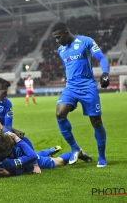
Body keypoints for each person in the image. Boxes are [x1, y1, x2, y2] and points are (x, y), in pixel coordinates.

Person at [51, 22, 109, 167]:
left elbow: (101, 58)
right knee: (60, 113)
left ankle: (102, 157)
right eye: (55, 38)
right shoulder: (61, 50)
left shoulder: (86, 41)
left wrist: (105, 73)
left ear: (66, 32)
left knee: (96, 122)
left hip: (88, 86)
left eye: (58, 37)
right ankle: (75, 148)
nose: (57, 41)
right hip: (71, 87)